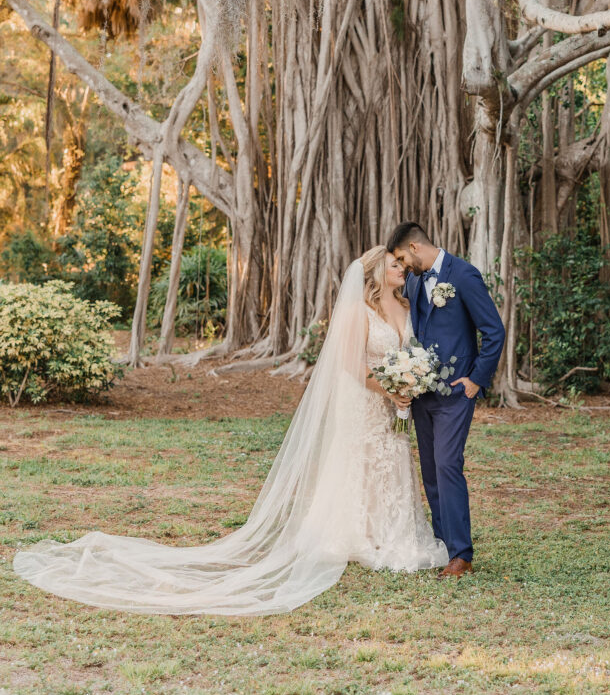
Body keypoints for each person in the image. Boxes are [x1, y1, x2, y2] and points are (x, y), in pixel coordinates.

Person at [13, 246, 447, 617]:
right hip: (365, 399)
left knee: (389, 459)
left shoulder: (408, 306)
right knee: (359, 459)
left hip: (393, 401)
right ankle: (355, 534)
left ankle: (388, 531)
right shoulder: (357, 310)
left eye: (403, 266)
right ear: (373, 270)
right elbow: (350, 364)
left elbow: (410, 352)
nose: (402, 269)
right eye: (394, 264)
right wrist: (389, 391)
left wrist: (405, 385)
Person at [387, 221, 506, 580]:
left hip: (456, 393)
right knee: (431, 472)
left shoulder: (463, 275)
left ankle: (461, 555)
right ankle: (442, 543)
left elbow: (493, 330)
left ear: (414, 247)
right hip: (422, 394)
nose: (401, 265)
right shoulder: (413, 281)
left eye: (401, 258)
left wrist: (476, 379)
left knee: (448, 465)